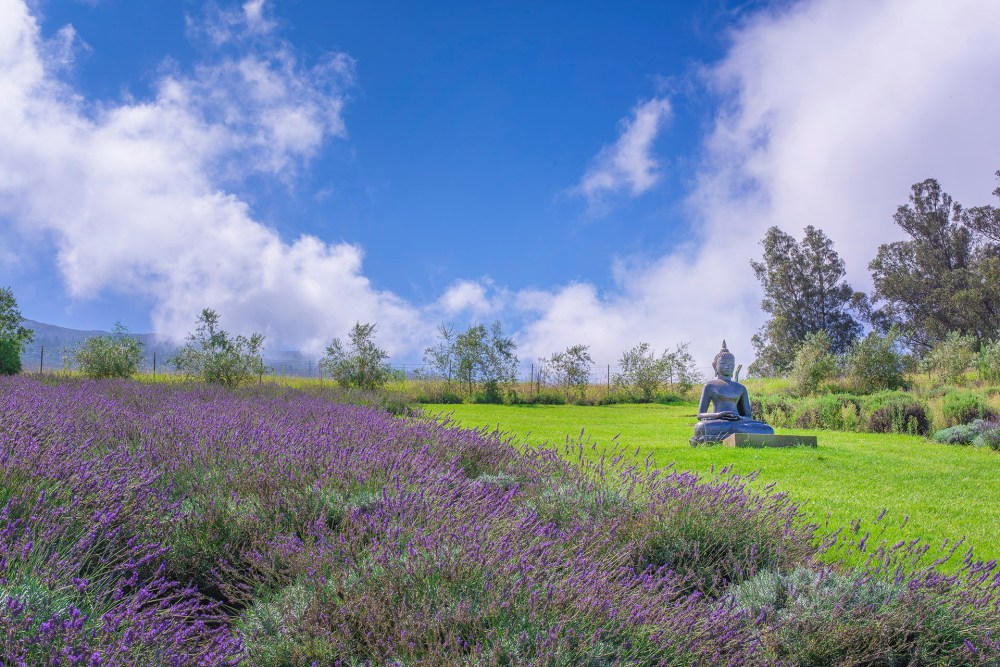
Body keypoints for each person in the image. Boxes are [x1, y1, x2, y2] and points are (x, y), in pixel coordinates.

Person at [691, 340, 773, 444]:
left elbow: (748, 416)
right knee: (701, 427)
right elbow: (700, 415)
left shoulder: (740, 388)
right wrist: (718, 415)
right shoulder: (710, 386)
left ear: (734, 366)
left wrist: (739, 417)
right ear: (714, 366)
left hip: (738, 423)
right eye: (723, 363)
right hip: (718, 423)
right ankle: (739, 435)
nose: (727, 366)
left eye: (730, 364)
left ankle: (734, 434)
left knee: (767, 429)